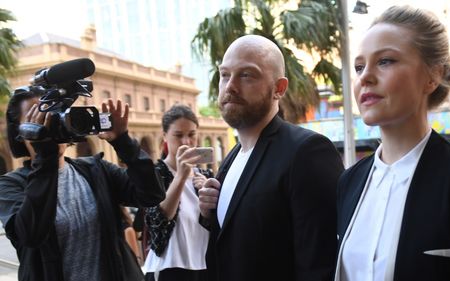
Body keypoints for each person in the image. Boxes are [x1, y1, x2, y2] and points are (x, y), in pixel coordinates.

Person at [335, 5, 450, 281]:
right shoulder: (348, 183)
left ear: (433, 75)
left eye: (385, 61)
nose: (365, 77)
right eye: (359, 66)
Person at [198, 34, 345, 281]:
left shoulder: (307, 152)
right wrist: (208, 213)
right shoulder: (231, 159)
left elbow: (320, 264)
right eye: (225, 75)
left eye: (246, 75)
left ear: (279, 88)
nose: (230, 86)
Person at [0, 86, 165, 281]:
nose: (48, 124)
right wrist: (45, 158)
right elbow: (30, 235)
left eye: (53, 115)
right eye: (36, 118)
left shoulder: (96, 170)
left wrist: (123, 142)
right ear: (20, 133)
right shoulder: (10, 186)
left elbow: (152, 194)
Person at [142, 104, 213, 281]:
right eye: (178, 135)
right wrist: (180, 176)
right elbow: (158, 221)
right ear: (165, 136)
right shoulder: (155, 173)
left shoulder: (204, 176)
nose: (186, 142)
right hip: (169, 267)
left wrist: (209, 196)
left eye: (191, 135)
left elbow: (215, 223)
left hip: (203, 265)